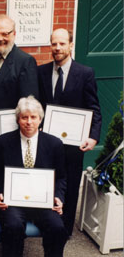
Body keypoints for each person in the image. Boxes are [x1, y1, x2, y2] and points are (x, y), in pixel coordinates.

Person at [38, 28, 102, 236]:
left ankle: (64, 230)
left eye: (62, 44)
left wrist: (93, 136)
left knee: (71, 183)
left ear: (71, 45)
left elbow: (94, 108)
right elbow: (38, 104)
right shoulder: (42, 71)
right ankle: (46, 223)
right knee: (47, 181)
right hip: (47, 141)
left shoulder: (85, 73)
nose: (57, 48)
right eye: (54, 44)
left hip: (73, 143)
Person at [0, 96, 68, 257]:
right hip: (13, 202)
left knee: (57, 228)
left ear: (40, 119)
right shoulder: (3, 142)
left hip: (42, 201)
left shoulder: (54, 144)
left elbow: (61, 177)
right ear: (18, 119)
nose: (29, 122)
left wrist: (58, 197)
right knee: (13, 226)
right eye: (24, 117)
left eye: (33, 117)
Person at [0, 14, 38, 194]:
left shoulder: (25, 61)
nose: (0, 38)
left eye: (5, 34)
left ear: (14, 34)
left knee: (2, 178)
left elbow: (28, 102)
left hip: (7, 132)